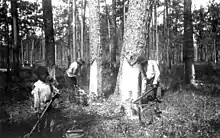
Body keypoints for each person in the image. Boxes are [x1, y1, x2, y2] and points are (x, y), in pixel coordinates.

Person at [31, 66, 60, 132]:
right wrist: (37, 108)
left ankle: (48, 131)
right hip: (41, 106)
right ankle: (40, 132)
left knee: (49, 119)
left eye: (45, 74)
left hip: (50, 104)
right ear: (39, 76)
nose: (44, 76)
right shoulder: (37, 85)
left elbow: (56, 90)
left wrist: (57, 93)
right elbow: (36, 99)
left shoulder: (49, 83)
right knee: (41, 120)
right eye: (42, 75)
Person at [138, 57, 162, 124]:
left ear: (145, 61)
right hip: (148, 82)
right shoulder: (142, 67)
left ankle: (158, 112)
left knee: (157, 97)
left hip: (155, 80)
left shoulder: (152, 62)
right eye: (142, 64)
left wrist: (155, 82)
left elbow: (158, 73)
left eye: (143, 63)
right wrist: (143, 91)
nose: (143, 65)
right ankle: (151, 113)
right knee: (150, 97)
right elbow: (144, 78)